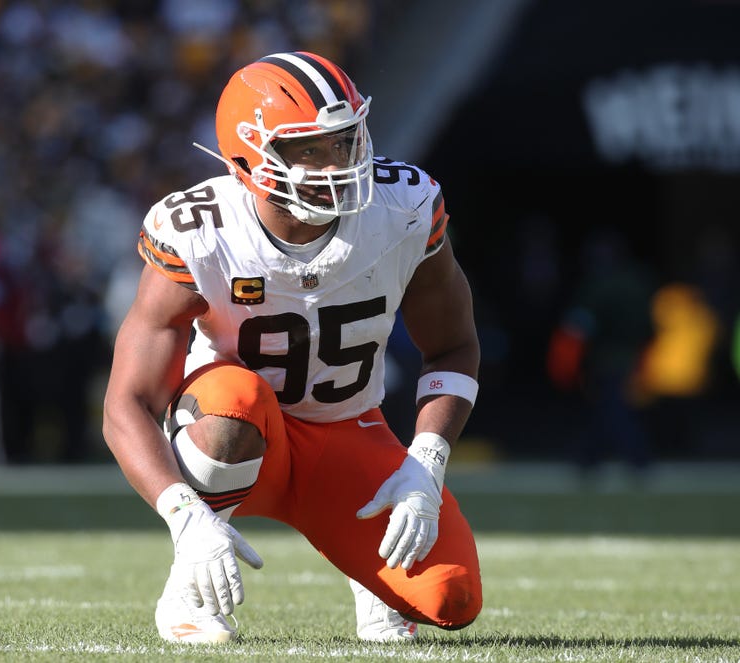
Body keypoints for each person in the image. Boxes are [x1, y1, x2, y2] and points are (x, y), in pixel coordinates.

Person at [102, 51, 483, 644]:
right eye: (311, 148)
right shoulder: (202, 230)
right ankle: (190, 585)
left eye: (346, 139)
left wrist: (426, 462)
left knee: (451, 599)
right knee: (231, 396)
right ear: (248, 159)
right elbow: (126, 403)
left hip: (348, 435)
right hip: (239, 432)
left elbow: (454, 346)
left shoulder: (403, 207)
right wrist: (185, 519)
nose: (341, 162)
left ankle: (368, 574)